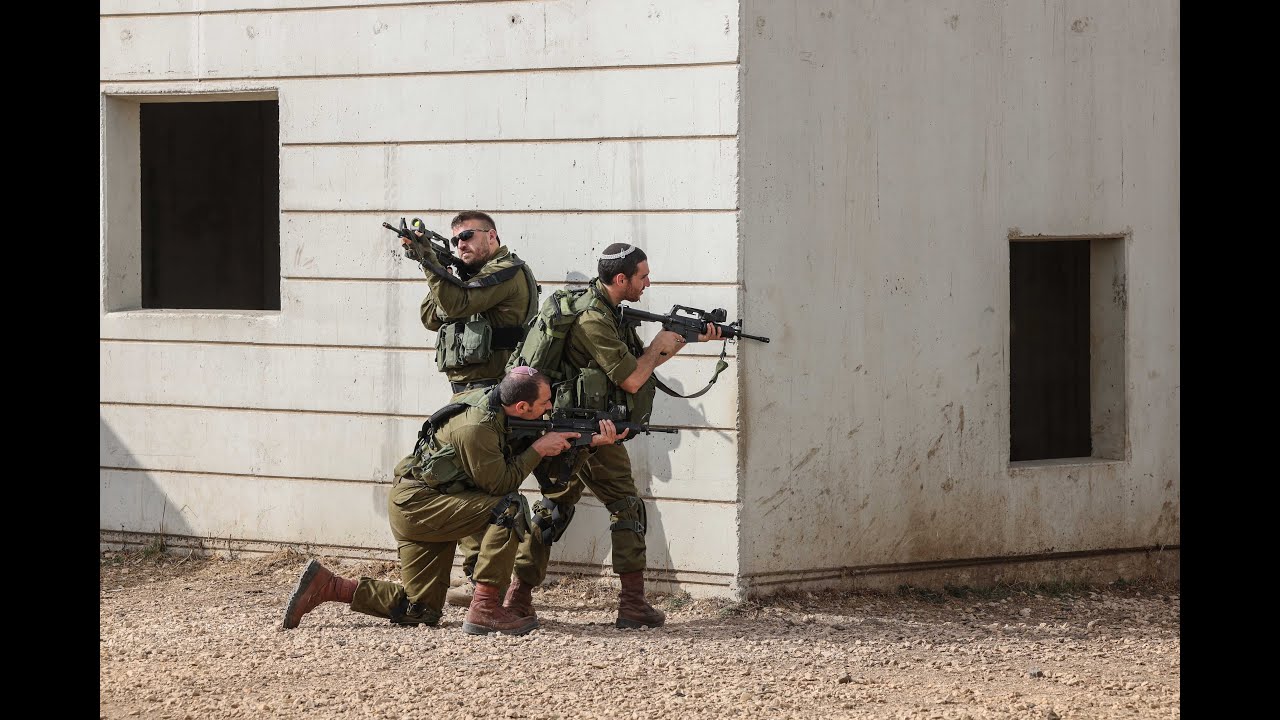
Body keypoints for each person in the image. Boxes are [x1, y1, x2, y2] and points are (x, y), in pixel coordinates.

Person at [279, 367, 621, 635]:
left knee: (420, 610)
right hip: (419, 505)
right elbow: (499, 483)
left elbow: (541, 471)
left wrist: (586, 444)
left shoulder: (495, 407)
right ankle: (485, 607)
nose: (550, 409)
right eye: (545, 403)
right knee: (508, 507)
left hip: (435, 500)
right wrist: (538, 449)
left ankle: (329, 586)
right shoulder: (477, 428)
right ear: (521, 407)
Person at [504, 243, 721, 629]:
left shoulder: (609, 310)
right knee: (615, 505)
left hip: (591, 424)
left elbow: (638, 364)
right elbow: (633, 378)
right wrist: (660, 345)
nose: (648, 283)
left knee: (560, 506)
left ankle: (519, 598)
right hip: (581, 429)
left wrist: (686, 337)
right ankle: (628, 604)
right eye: (643, 276)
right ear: (621, 278)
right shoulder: (593, 319)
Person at [410, 211, 539, 608]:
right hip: (466, 395)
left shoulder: (506, 272)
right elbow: (430, 315)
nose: (460, 244)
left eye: (467, 236)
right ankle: (478, 578)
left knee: (488, 485)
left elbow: (455, 304)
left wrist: (429, 262)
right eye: (455, 241)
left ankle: (501, 584)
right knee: (462, 480)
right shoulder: (470, 277)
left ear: (492, 236)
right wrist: (448, 271)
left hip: (493, 396)